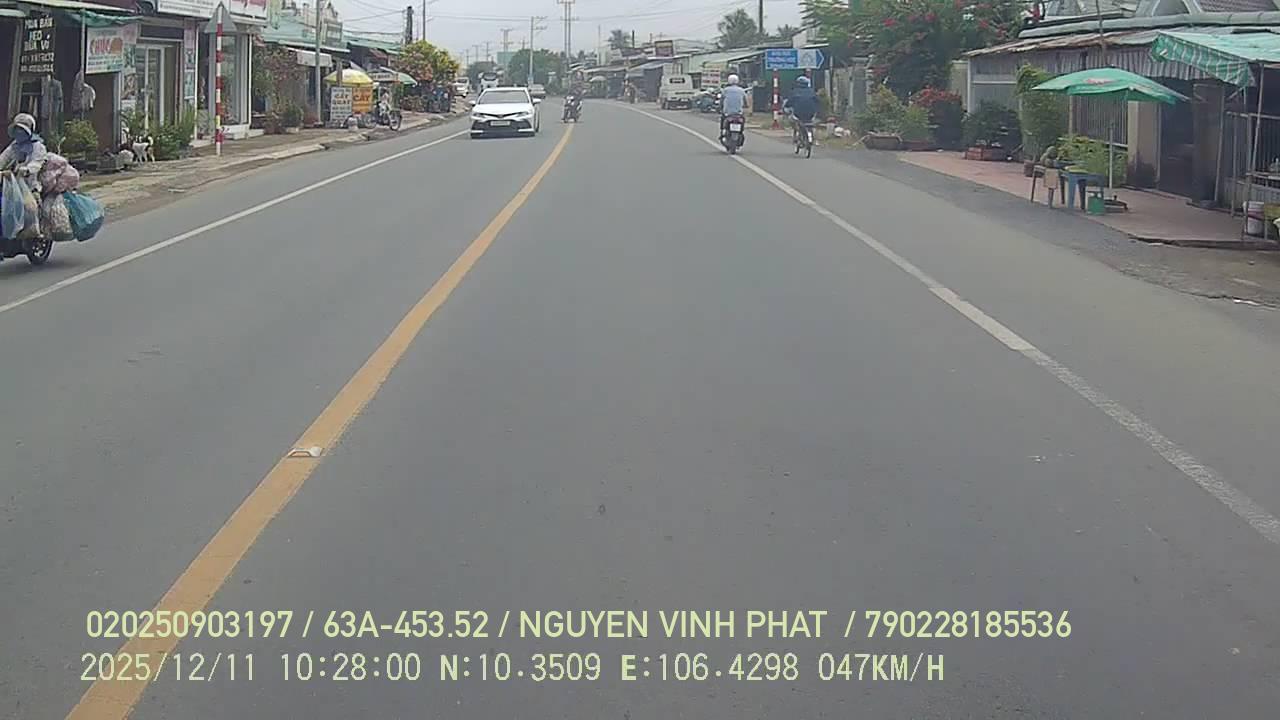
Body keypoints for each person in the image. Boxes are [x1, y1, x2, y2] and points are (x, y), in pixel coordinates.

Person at [0, 113, 48, 192]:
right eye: (17, 129)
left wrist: (27, 169)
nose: (19, 132)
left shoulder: (38, 146)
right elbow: (3, 159)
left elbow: (37, 163)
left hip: (31, 187)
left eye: (22, 129)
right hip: (13, 187)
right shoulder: (14, 146)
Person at [782, 76, 820, 145]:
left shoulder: (795, 92)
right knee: (811, 123)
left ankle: (796, 132)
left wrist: (786, 107)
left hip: (798, 113)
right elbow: (818, 101)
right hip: (811, 113)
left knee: (792, 119)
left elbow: (789, 102)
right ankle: (812, 137)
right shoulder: (812, 91)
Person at [719, 74, 749, 142]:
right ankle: (741, 132)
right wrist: (746, 106)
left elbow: (721, 101)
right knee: (743, 120)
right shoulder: (741, 90)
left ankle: (722, 132)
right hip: (739, 113)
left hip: (727, 113)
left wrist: (720, 107)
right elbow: (746, 102)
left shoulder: (725, 90)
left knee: (722, 119)